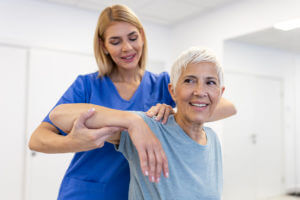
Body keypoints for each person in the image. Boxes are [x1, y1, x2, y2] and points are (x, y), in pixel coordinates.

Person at [28, 4, 235, 200]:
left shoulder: (162, 84)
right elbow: (38, 138)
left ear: (142, 37)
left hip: (135, 190)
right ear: (104, 46)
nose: (127, 48)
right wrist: (131, 122)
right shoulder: (87, 85)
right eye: (116, 41)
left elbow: (224, 106)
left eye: (132, 38)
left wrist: (175, 110)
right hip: (88, 190)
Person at [50, 46, 225, 200]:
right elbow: (59, 115)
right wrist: (132, 121)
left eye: (210, 82)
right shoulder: (151, 126)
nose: (200, 91)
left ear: (220, 92)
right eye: (189, 81)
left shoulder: (212, 139)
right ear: (172, 91)